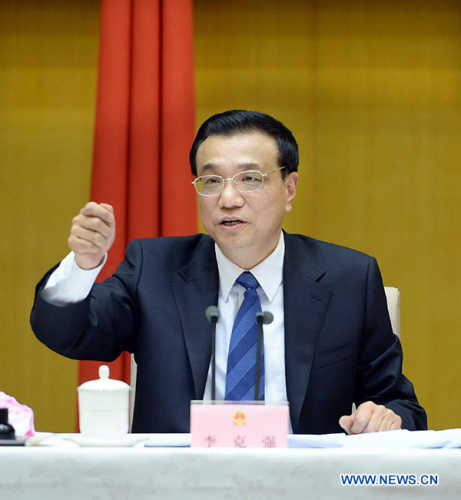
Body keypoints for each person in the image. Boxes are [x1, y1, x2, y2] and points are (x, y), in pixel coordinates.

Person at [31, 110, 427, 435]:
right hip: (178, 488)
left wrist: (386, 418)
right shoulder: (155, 269)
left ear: (289, 189)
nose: (229, 198)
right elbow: (71, 334)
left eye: (250, 179)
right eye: (211, 180)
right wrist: (83, 266)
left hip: (303, 487)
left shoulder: (348, 280)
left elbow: (402, 405)